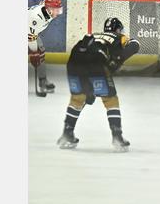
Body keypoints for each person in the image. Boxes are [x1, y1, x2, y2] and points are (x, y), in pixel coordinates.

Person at [57, 17, 140, 151]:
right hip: (95, 63)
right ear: (118, 29)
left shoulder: (95, 35)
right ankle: (117, 137)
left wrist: (89, 90)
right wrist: (117, 60)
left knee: (77, 98)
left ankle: (67, 134)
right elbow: (135, 45)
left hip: (73, 62)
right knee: (110, 100)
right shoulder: (119, 36)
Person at [28, 0, 64, 95]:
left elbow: (43, 3)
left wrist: (36, 53)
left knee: (40, 53)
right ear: (49, 9)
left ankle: (42, 80)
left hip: (31, 32)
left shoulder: (47, 10)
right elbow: (30, 37)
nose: (58, 13)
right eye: (56, 10)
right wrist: (34, 52)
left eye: (59, 10)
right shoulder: (36, 19)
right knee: (37, 53)